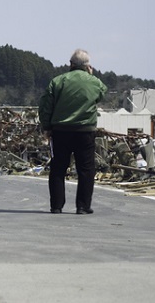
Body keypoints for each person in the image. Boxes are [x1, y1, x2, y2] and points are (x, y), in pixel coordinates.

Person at [38, 49, 107, 214]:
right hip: (85, 131)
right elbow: (101, 94)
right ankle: (82, 206)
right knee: (86, 168)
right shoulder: (94, 82)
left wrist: (46, 127)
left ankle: (56, 205)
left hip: (61, 130)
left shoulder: (58, 81)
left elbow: (45, 106)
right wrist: (91, 75)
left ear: (71, 64)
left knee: (58, 168)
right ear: (87, 66)